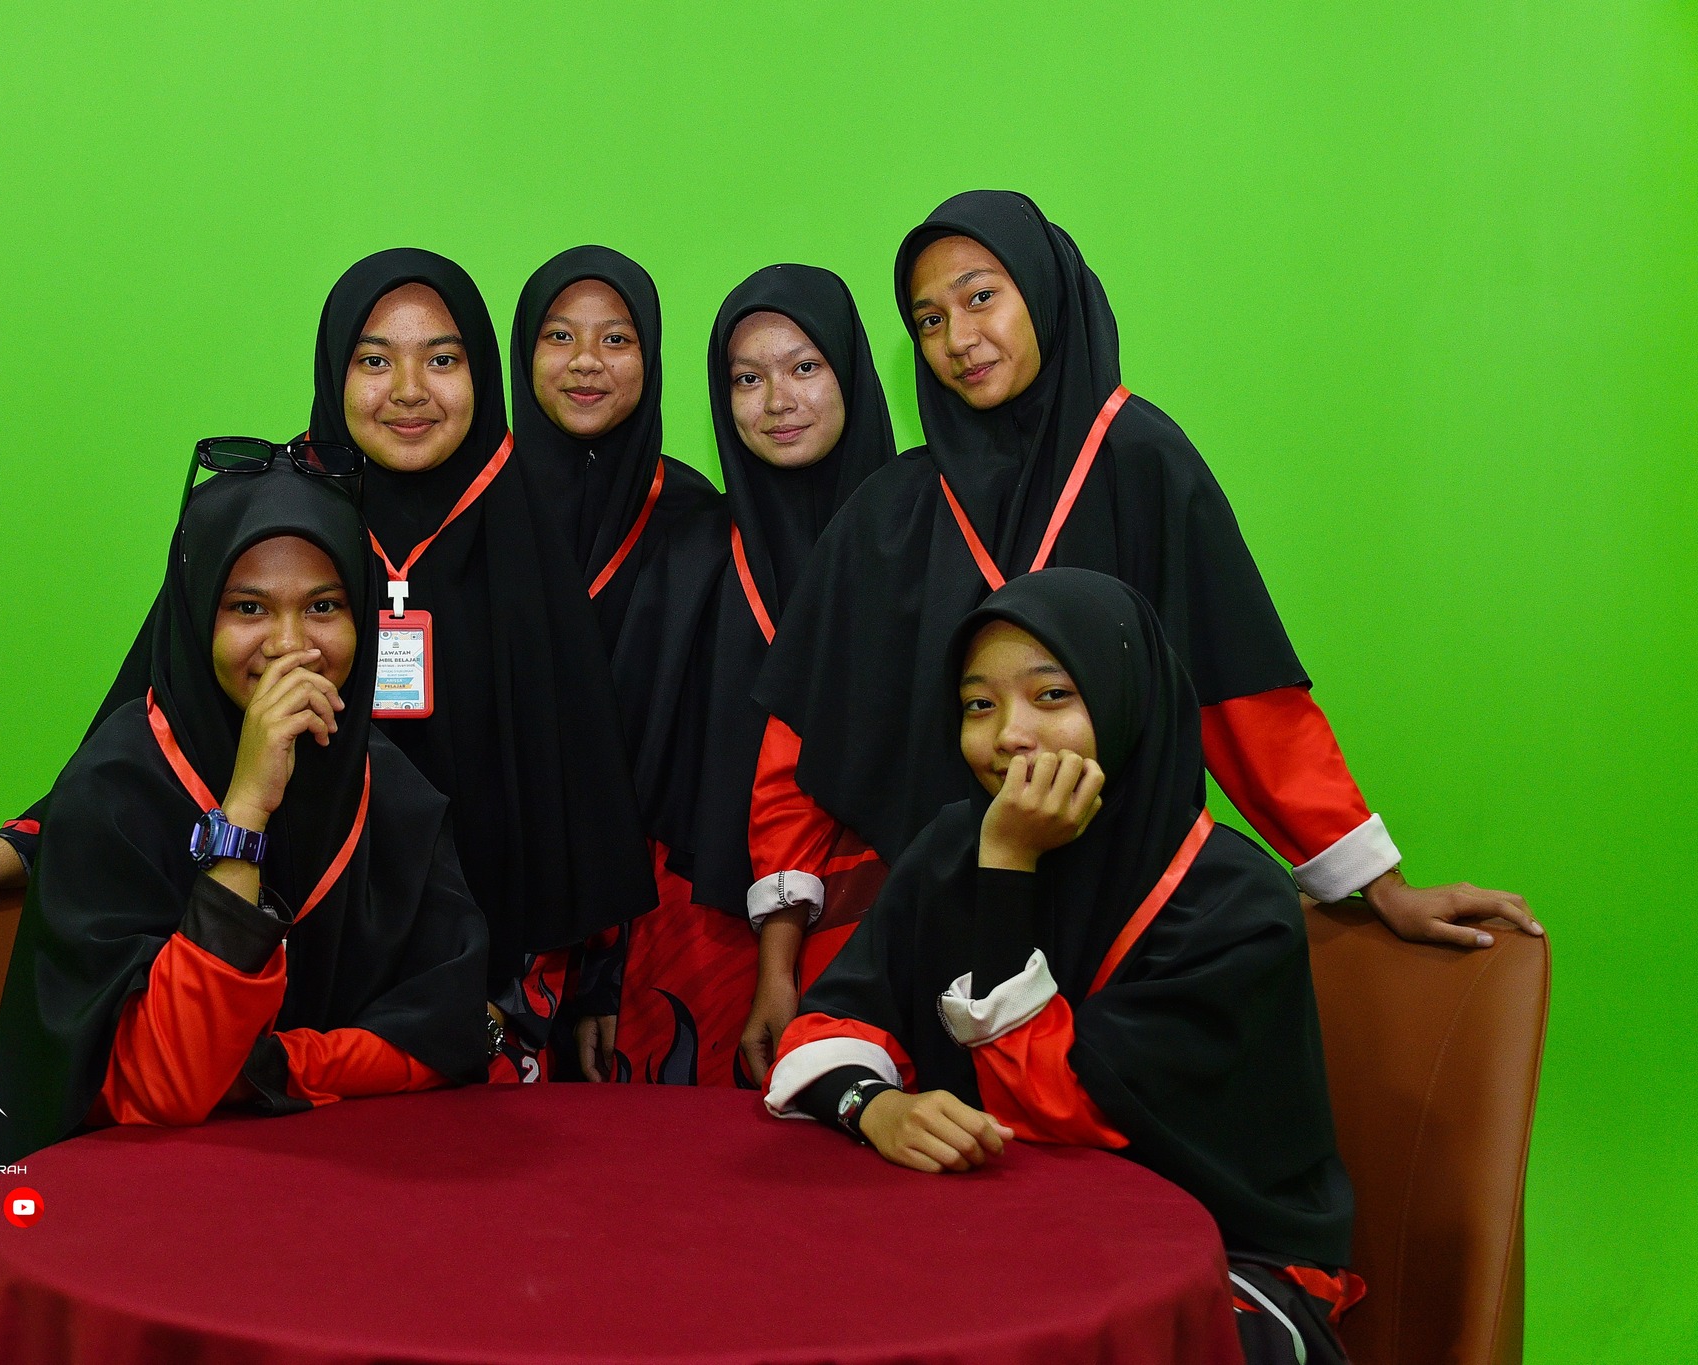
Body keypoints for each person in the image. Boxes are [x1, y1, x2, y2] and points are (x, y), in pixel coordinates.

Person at [741, 190, 1539, 1067]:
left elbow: (1243, 698)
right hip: (951, 924)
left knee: (1098, 1128)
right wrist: (777, 966)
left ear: (1045, 291)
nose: (958, 338)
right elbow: (799, 744)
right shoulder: (892, 511)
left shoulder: (1143, 464)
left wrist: (1378, 885)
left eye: (981, 297)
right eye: (929, 320)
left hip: (1130, 929)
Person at [0, 249, 657, 1083]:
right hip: (266, 969)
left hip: (462, 1007)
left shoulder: (524, 532)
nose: (410, 390)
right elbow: (151, 742)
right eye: (375, 361)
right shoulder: (279, 522)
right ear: (334, 372)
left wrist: (566, 991)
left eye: (442, 360)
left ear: (483, 371)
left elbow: (579, 790)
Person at [767, 569, 1363, 1364]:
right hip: (1001, 1234)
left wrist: (1009, 868)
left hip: (1222, 1261)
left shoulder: (1233, 899)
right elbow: (827, 1025)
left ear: (1127, 701)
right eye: (979, 705)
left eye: (1051, 695)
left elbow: (1059, 1108)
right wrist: (874, 1107)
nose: (1010, 735)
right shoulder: (953, 847)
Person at [0, 454, 494, 1276]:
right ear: (194, 615)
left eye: (325, 606)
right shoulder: (115, 789)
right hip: (108, 1236)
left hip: (325, 1209)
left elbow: (446, 1032)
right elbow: (173, 1083)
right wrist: (246, 810)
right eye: (248, 607)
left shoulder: (390, 790)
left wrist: (270, 1066)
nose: (291, 646)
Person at [617, 264, 895, 1087]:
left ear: (851, 374)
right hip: (703, 933)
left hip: (880, 913)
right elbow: (634, 768)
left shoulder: (915, 539)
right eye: (748, 378)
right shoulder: (688, 551)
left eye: (805, 367)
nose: (778, 400)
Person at [508, 246, 730, 1080]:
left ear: (652, 355)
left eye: (616, 339)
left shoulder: (695, 517)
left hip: (652, 910)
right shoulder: (480, 510)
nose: (586, 363)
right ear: (523, 352)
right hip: (501, 897)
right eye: (559, 336)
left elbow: (694, 750)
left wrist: (608, 969)